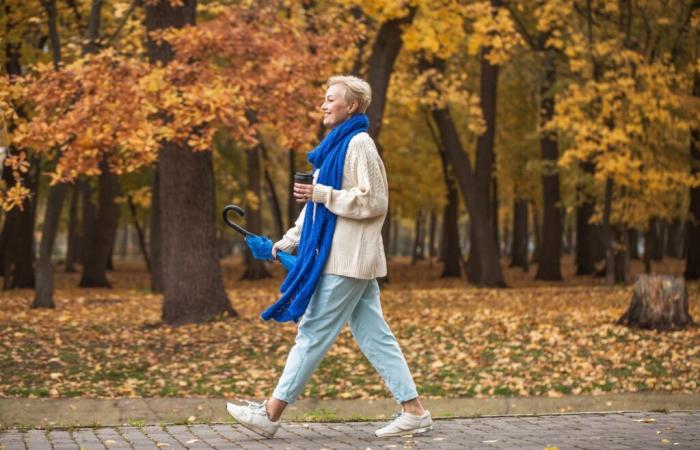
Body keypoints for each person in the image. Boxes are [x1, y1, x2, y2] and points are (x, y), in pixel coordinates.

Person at [226, 75, 432, 438]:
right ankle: (413, 410)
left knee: (312, 334)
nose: (323, 104)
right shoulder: (333, 148)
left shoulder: (360, 144)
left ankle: (270, 414)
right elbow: (314, 211)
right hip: (344, 259)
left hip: (348, 260)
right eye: (324, 98)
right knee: (374, 336)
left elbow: (374, 201)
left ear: (351, 106)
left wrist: (322, 193)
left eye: (330, 99)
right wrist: (284, 243)